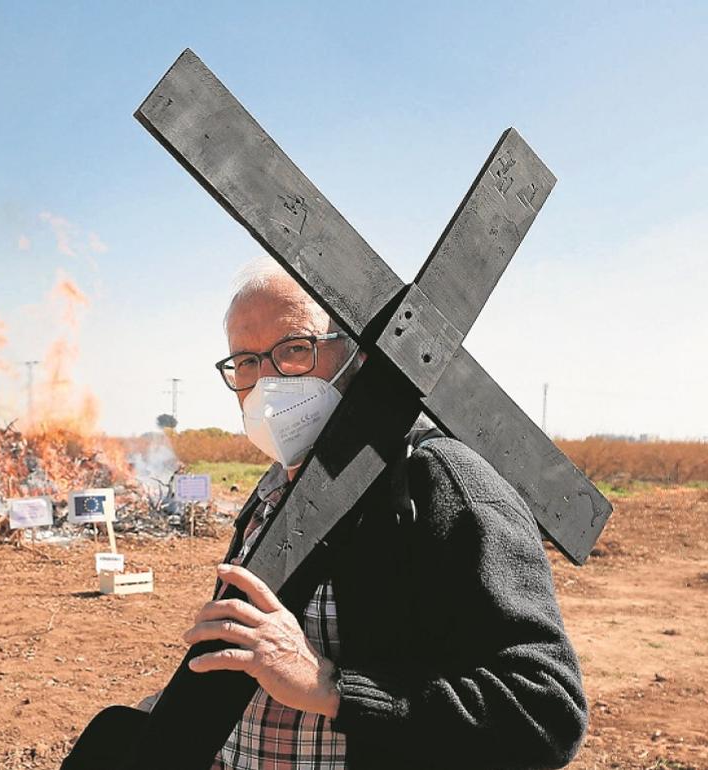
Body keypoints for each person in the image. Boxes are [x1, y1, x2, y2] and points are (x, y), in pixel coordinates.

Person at [131, 258, 588, 769]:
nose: (265, 383)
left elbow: (546, 714)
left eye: (295, 350)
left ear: (360, 358)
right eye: (245, 362)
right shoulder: (273, 488)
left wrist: (331, 688)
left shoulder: (439, 484)